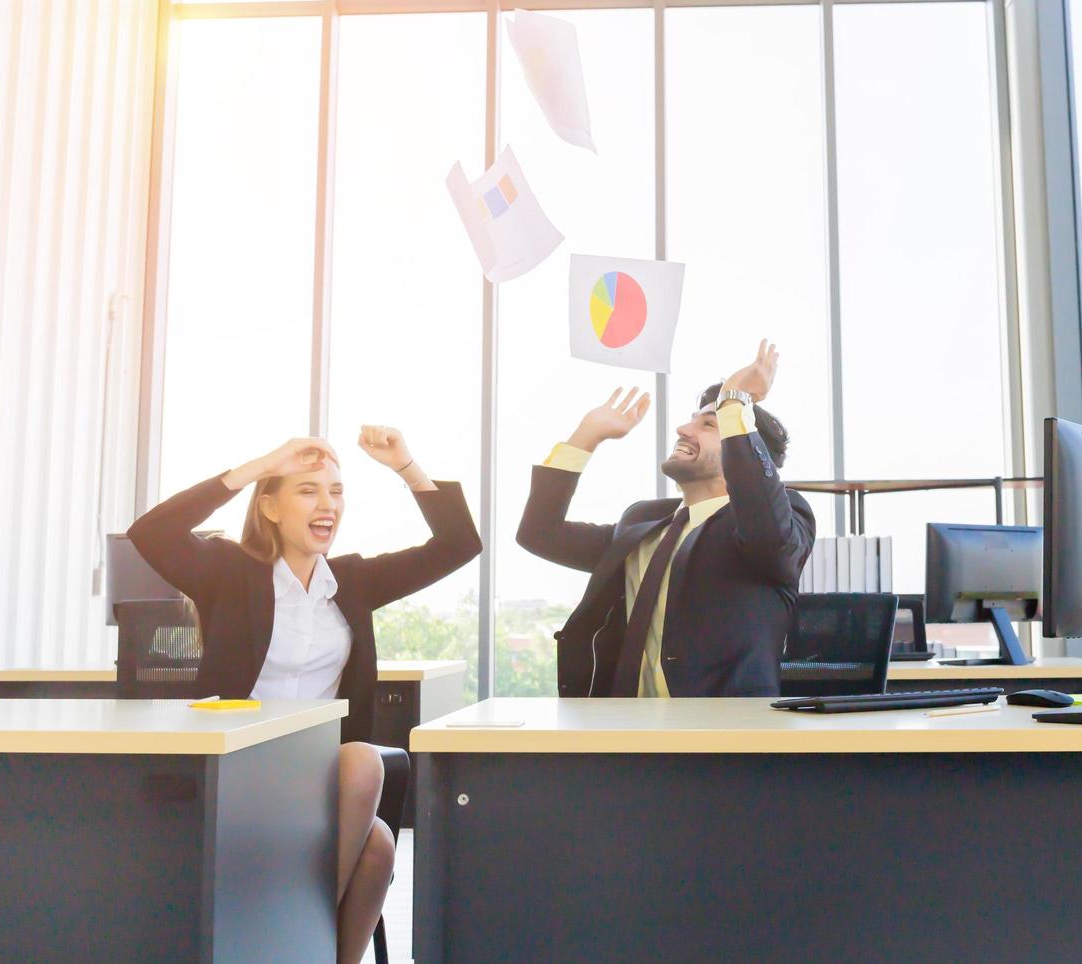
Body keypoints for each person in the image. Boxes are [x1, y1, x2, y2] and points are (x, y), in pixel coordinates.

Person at [127, 428, 480, 963]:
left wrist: (406, 465)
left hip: (318, 777)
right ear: (269, 507)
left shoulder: (353, 582)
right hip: (238, 769)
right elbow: (150, 532)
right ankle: (288, 942)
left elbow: (459, 545)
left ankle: (289, 947)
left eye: (336, 491)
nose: (328, 505)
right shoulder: (229, 572)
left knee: (379, 836)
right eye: (308, 490)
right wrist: (260, 464)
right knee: (366, 778)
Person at [517, 340, 815, 698]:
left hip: (723, 738)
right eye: (693, 420)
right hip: (622, 732)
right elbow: (539, 533)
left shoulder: (780, 518)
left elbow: (769, 534)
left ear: (744, 449)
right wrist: (586, 436)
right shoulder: (642, 520)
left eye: (709, 425)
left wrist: (734, 403)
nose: (684, 430)